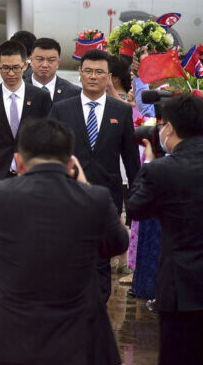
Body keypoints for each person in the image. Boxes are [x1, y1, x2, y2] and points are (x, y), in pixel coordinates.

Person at [0, 118, 128, 365]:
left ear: (19, 162)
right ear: (71, 163)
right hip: (77, 331)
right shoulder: (96, 198)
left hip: (9, 327)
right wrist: (84, 185)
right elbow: (117, 244)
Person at [49, 48, 141, 301]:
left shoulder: (120, 111)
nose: (92, 76)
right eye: (87, 71)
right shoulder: (61, 109)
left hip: (105, 198)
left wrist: (135, 201)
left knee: (101, 259)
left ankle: (97, 310)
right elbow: (49, 154)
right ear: (79, 73)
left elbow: (131, 160)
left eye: (99, 72)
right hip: (66, 196)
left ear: (108, 77)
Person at [0, 40, 52, 288]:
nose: (11, 73)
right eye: (5, 68)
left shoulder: (40, 98)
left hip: (30, 178)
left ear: (26, 65)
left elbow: (46, 139)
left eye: (16, 67)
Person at [127, 94, 203, 365]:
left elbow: (135, 208)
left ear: (168, 128)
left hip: (180, 290)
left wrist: (148, 163)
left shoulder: (161, 170)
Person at [29, 37, 81, 102]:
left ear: (58, 63)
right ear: (31, 60)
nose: (45, 65)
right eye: (40, 59)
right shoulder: (19, 89)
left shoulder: (74, 93)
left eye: (51, 60)